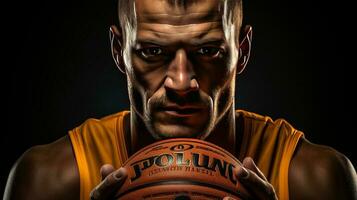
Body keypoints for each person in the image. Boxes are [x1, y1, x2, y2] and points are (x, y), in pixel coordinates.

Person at [3, 0, 356, 199]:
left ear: (242, 52)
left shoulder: (310, 179)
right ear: (118, 52)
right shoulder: (51, 180)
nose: (182, 81)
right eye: (153, 51)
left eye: (208, 51)